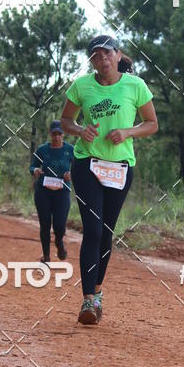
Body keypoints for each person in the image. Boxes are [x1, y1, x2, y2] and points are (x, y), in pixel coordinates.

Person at [60, 35, 158, 325]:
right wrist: (81, 131)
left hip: (120, 167)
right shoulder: (81, 86)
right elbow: (66, 121)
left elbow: (152, 124)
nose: (102, 59)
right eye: (96, 55)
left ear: (118, 55)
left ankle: (98, 291)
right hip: (87, 163)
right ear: (91, 61)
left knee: (105, 232)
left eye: (106, 53)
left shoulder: (135, 86)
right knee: (92, 229)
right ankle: (88, 299)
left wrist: (128, 132)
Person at [30, 121, 74, 262]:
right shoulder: (42, 150)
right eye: (54, 134)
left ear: (63, 134)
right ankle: (46, 256)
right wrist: (36, 171)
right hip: (43, 191)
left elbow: (78, 168)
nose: (56, 137)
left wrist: (71, 174)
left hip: (62, 191)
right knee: (45, 224)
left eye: (59, 134)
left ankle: (59, 242)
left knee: (59, 225)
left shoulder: (70, 150)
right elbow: (33, 166)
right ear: (50, 134)